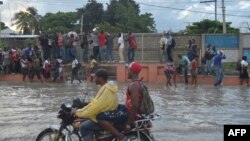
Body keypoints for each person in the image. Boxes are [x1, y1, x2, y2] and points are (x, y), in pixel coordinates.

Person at [96, 62, 143, 141]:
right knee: (113, 107)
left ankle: (120, 137)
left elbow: (135, 106)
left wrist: (128, 124)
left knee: (99, 117)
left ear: (133, 72)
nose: (127, 71)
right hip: (127, 110)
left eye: (129, 70)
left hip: (129, 113)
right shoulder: (137, 83)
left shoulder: (133, 85)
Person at [71, 69, 118, 141]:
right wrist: (87, 103)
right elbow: (97, 102)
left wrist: (78, 112)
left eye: (96, 77)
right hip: (108, 114)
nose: (94, 79)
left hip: (105, 117)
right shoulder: (107, 87)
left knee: (83, 127)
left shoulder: (106, 90)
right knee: (85, 119)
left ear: (101, 78)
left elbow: (96, 107)